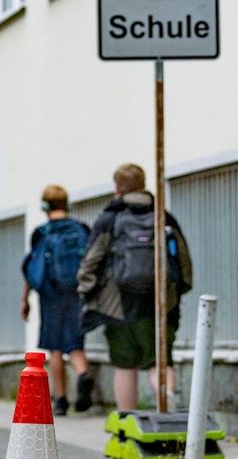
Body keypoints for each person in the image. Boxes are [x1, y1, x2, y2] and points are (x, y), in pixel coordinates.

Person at [78, 163, 193, 411]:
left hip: (118, 306)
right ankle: (169, 406)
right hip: (158, 305)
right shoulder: (162, 215)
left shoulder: (110, 217)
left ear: (116, 188)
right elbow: (182, 260)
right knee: (160, 362)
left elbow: (91, 259)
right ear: (143, 184)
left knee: (125, 365)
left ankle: (125, 422)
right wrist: (176, 294)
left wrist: (87, 292)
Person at [21, 185, 94, 416]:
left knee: (54, 347)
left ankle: (61, 399)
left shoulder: (41, 233)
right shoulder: (80, 228)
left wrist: (25, 300)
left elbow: (31, 268)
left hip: (50, 294)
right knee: (74, 341)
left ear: (45, 206)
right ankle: (83, 373)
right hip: (77, 292)